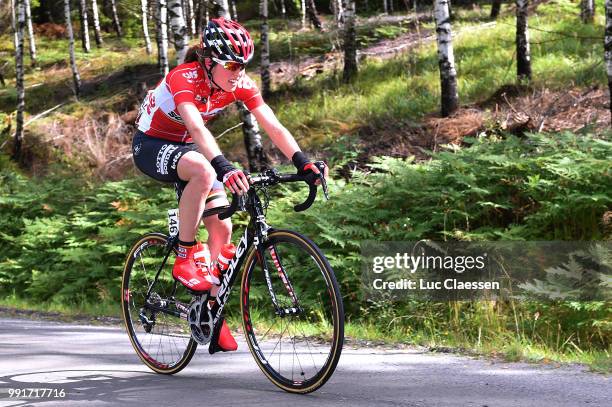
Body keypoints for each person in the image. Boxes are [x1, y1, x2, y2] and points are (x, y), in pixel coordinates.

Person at [131, 18, 328, 351]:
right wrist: (223, 166)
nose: (239, 72)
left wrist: (302, 161)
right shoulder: (184, 77)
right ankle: (183, 254)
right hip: (151, 144)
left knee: (222, 233)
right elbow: (195, 128)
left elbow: (273, 125)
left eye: (243, 65)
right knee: (205, 171)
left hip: (190, 149)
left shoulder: (239, 83)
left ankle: (208, 312)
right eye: (232, 64)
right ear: (209, 61)